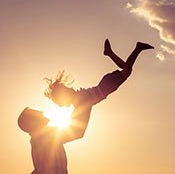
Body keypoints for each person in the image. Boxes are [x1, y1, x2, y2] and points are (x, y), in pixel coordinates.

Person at [18, 38, 153, 172]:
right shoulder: (44, 137)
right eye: (37, 113)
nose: (42, 112)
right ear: (33, 122)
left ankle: (125, 50)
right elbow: (76, 132)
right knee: (126, 71)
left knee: (126, 71)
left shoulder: (44, 136)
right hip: (102, 89)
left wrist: (83, 107)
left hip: (102, 88)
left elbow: (75, 132)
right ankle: (122, 51)